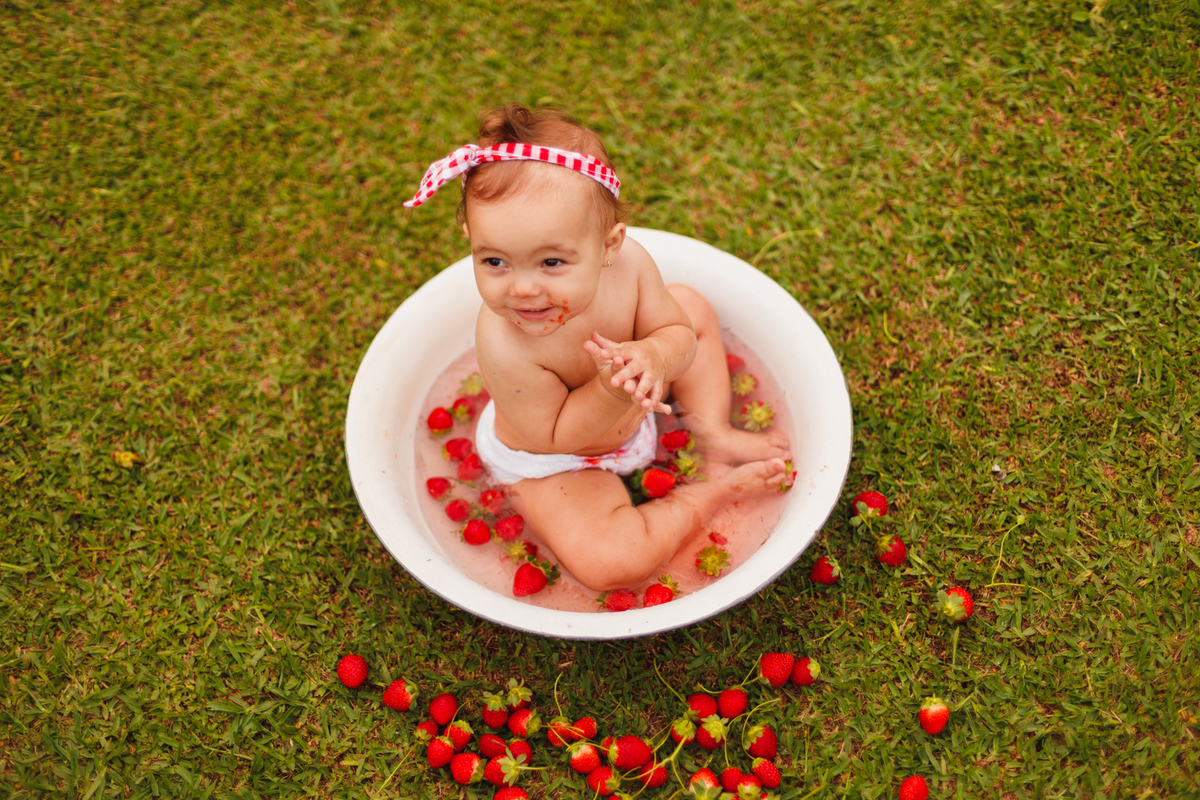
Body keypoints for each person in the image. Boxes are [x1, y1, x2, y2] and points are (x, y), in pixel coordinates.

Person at [405, 104, 792, 591]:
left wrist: (655, 354)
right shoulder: (504, 341)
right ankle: (711, 493)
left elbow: (673, 329)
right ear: (471, 242)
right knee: (611, 563)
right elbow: (555, 434)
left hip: (631, 397)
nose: (522, 289)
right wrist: (612, 391)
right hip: (556, 463)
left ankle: (711, 430)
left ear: (608, 246)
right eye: (496, 261)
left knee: (690, 308)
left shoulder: (629, 266)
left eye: (550, 261)